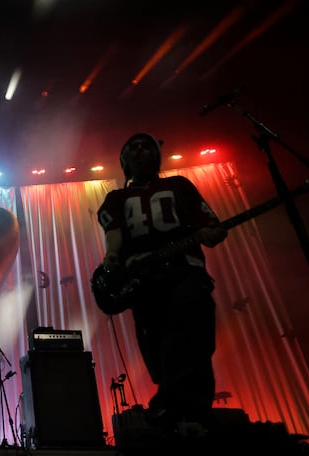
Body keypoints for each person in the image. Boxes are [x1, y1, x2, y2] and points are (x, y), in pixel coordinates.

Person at [95, 132, 227, 435]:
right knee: (156, 341)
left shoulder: (179, 186)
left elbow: (213, 227)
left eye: (146, 146)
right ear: (123, 161)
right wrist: (113, 255)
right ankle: (177, 408)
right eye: (133, 148)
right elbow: (113, 233)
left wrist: (213, 233)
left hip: (185, 271)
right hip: (144, 281)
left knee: (191, 334)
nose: (140, 151)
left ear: (157, 156)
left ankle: (183, 407)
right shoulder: (115, 199)